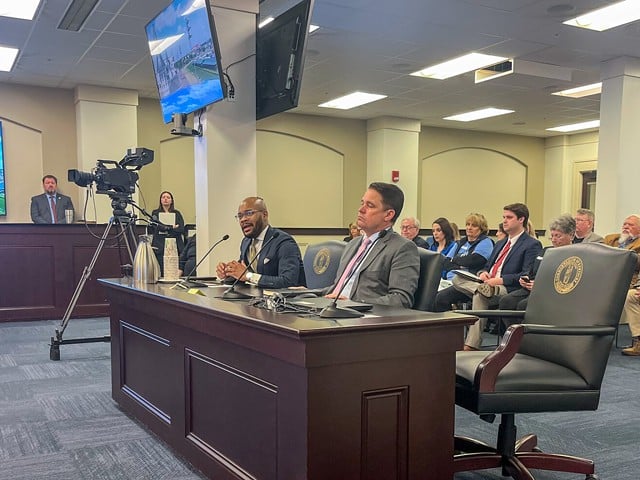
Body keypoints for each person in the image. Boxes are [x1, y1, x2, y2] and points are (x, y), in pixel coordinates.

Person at [325, 182, 419, 308]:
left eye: (370, 205)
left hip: (361, 319)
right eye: (362, 203)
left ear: (388, 214)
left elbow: (400, 299)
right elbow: (336, 290)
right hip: (332, 311)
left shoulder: (402, 248)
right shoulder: (352, 244)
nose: (361, 209)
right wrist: (301, 293)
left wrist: (352, 304)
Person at [464, 203, 542, 350]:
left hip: (508, 286)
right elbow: (486, 267)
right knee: (459, 280)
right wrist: (482, 273)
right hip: (488, 283)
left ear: (521, 219)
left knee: (479, 296)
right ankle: (483, 288)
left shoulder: (531, 244)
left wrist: (499, 280)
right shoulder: (500, 243)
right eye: (504, 217)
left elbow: (525, 274)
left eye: (509, 217)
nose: (504, 221)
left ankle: (471, 345)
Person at [216, 196, 305, 288]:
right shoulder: (246, 242)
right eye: (240, 216)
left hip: (286, 300)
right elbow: (242, 274)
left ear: (264, 215)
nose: (243, 219)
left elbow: (288, 281)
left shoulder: (283, 242)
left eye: (249, 213)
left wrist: (248, 276)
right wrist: (228, 273)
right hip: (258, 298)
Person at [499, 214, 576, 312]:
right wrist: (526, 278)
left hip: (550, 292)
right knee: (506, 301)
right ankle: (512, 327)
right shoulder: (546, 251)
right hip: (531, 288)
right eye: (552, 236)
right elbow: (531, 270)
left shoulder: (574, 255)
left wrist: (540, 286)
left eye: (558, 236)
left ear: (571, 235)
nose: (553, 240)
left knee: (523, 305)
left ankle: (524, 327)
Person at [435, 213, 494, 311]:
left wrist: (455, 260)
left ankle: (449, 325)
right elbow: (446, 262)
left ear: (481, 228)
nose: (469, 228)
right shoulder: (461, 242)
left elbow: (474, 260)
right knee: (429, 295)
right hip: (448, 281)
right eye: (468, 224)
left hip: (468, 283)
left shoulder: (486, 242)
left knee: (441, 298)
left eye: (473, 226)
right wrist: (459, 264)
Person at [601, 214, 640, 356]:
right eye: (625, 224)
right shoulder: (611, 239)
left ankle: (638, 341)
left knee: (631, 295)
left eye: (631, 225)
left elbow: (635, 262)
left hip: (625, 282)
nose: (626, 227)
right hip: (604, 279)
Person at [150, 191, 185, 276]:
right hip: (160, 245)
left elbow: (181, 229)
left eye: (168, 197)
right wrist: (171, 227)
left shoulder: (177, 213)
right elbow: (155, 227)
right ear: (160, 200)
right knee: (162, 270)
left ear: (171, 200)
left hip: (175, 245)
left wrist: (166, 228)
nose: (165, 199)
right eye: (163, 197)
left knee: (174, 269)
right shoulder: (155, 213)